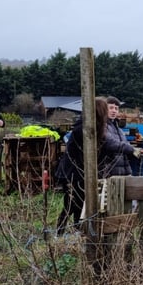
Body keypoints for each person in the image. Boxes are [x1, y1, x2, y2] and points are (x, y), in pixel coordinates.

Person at [56, 97, 108, 235]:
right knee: (71, 203)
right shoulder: (84, 129)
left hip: (80, 171)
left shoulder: (93, 127)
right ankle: (60, 233)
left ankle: (77, 230)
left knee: (79, 203)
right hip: (73, 171)